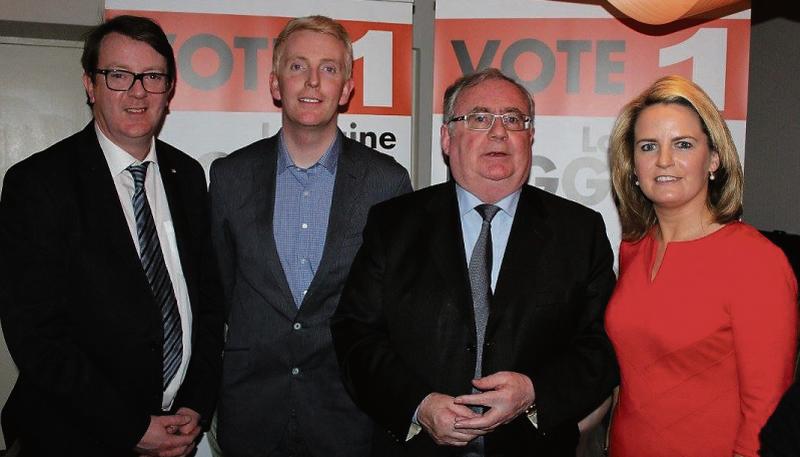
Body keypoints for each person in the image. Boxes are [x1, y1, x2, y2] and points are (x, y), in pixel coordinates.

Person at [331, 67, 619, 457]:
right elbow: (356, 334)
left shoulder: (579, 231)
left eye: (513, 119)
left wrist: (533, 393)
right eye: (479, 118)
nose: (498, 132)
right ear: (447, 139)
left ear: (530, 137)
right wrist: (418, 405)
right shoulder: (393, 224)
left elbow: (600, 347)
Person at [0, 14, 224, 457]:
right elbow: (36, 337)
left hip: (178, 432)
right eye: (119, 75)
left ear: (170, 89)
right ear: (90, 84)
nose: (137, 91)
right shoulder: (38, 183)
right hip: (72, 437)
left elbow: (208, 304)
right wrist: (131, 427)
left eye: (153, 76)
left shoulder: (189, 176)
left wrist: (196, 403)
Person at [209, 15, 412, 457]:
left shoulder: (387, 183)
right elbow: (222, 290)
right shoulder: (229, 177)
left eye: (329, 68)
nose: (313, 82)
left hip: (348, 415)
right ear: (276, 84)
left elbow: (390, 309)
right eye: (298, 66)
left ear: (346, 89)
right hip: (251, 414)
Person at [604, 75, 798, 457]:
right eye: (648, 146)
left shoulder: (755, 261)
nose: (663, 160)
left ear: (713, 158)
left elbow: (767, 410)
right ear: (632, 165)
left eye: (683, 144)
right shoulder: (633, 248)